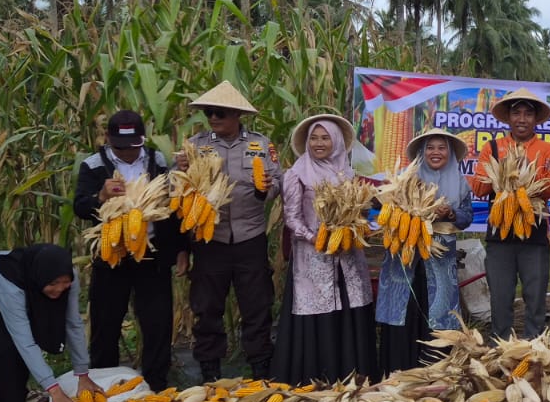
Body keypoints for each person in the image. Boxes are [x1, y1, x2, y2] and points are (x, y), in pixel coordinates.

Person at [72, 110, 185, 391]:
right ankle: (104, 382)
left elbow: (171, 208)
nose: (128, 152)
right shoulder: (93, 165)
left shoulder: (157, 160)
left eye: (134, 145)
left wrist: (180, 249)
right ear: (108, 139)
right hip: (113, 255)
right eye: (121, 146)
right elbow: (80, 206)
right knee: (105, 322)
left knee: (157, 322)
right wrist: (101, 196)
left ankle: (156, 383)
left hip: (151, 255)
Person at [178, 81, 282, 382]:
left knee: (257, 305)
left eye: (219, 113)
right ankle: (210, 372)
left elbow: (278, 180)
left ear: (237, 115)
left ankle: (260, 367)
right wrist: (181, 170)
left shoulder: (261, 145)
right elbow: (182, 189)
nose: (213, 118)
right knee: (207, 307)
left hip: (250, 238)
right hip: (210, 240)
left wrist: (267, 190)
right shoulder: (195, 146)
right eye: (209, 113)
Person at [275, 114, 378, 384]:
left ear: (337, 142)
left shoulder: (349, 174)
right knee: (319, 312)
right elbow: (292, 218)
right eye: (314, 138)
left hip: (347, 257)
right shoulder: (296, 174)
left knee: (348, 310)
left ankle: (352, 375)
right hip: (314, 258)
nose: (319, 143)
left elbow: (359, 210)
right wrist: (315, 238)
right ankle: (317, 375)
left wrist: (355, 228)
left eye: (325, 138)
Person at [0, 244, 102, 402]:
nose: (59, 289)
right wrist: (54, 390)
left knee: (28, 338)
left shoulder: (68, 276)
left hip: (25, 289)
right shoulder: (10, 286)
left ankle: (22, 394)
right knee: (7, 347)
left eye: (64, 283)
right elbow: (24, 340)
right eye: (53, 284)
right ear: (41, 278)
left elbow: (73, 324)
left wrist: (83, 374)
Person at [378, 128, 474, 373]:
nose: (436, 152)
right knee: (406, 307)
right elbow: (387, 212)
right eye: (430, 148)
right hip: (406, 257)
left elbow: (466, 218)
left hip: (439, 257)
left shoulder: (460, 183)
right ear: (422, 153)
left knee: (438, 310)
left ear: (449, 153)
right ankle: (400, 367)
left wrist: (450, 213)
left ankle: (435, 368)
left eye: (442, 148)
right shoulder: (405, 179)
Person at [471, 89, 550, 341]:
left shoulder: (548, 151)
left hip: (534, 233)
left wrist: (530, 176)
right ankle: (499, 345)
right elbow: (478, 187)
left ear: (535, 119)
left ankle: (535, 345)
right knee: (500, 296)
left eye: (528, 113)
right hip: (499, 234)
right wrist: (502, 174)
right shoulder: (492, 148)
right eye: (516, 113)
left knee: (535, 296)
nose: (522, 119)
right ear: (508, 118)